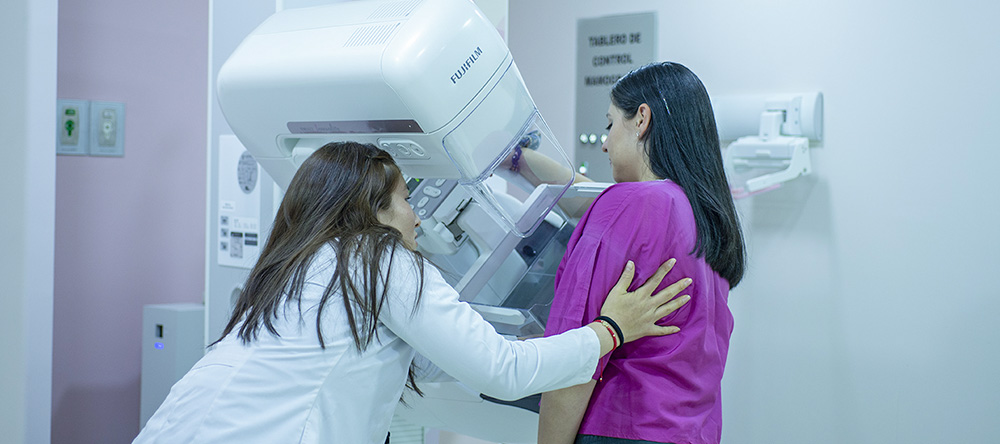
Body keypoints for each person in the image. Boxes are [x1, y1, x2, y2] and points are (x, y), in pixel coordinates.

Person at [134, 141, 692, 444]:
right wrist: (608, 331)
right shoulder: (379, 257)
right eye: (406, 199)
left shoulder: (294, 264)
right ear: (371, 211)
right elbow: (501, 369)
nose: (417, 217)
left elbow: (404, 361)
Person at [531, 62, 746, 444]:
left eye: (610, 125)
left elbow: (576, 357)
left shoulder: (630, 203)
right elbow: (583, 198)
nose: (603, 143)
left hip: (620, 427)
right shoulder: (706, 213)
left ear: (641, 119)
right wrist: (518, 160)